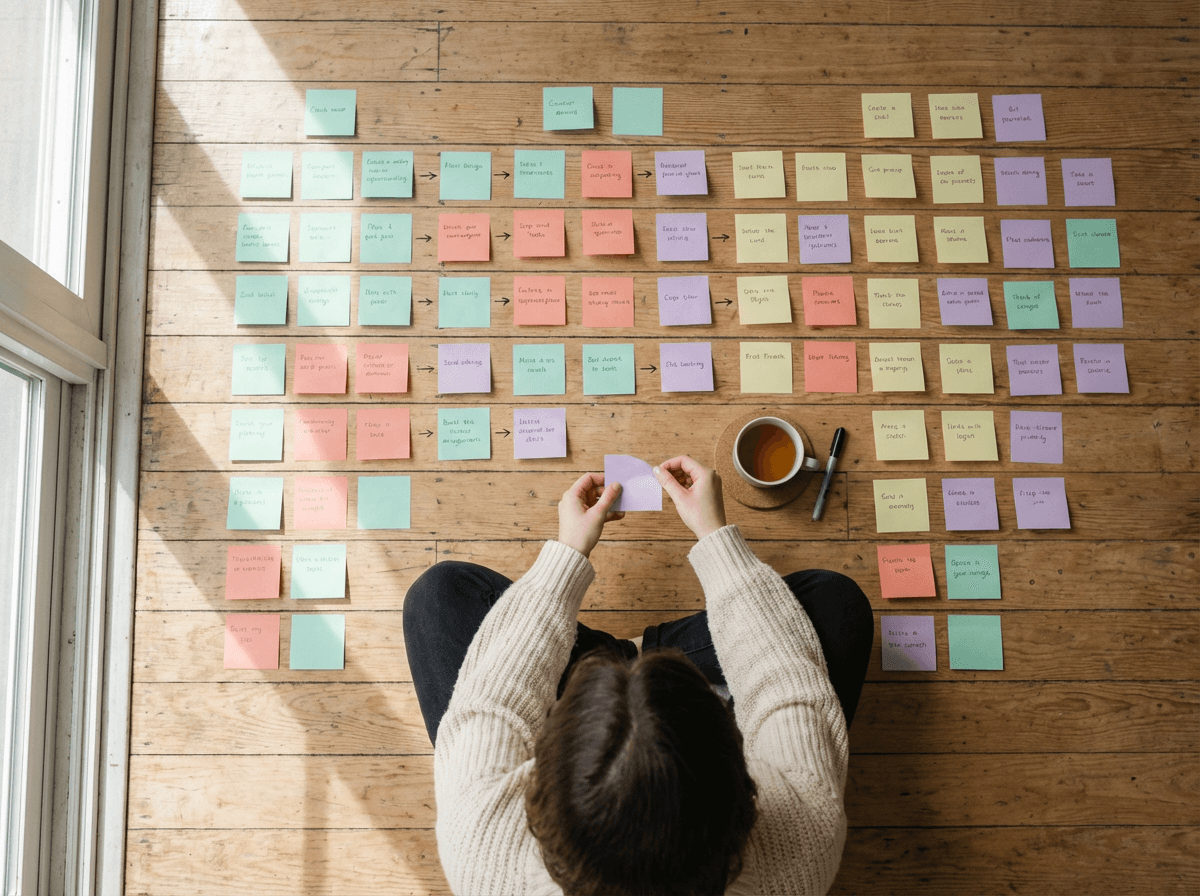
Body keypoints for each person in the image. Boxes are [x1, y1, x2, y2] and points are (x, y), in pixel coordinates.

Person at [403, 455, 873, 895]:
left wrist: (568, 552)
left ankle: (614, 660)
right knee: (835, 603)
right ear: (741, 777)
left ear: (541, 786)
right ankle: (656, 660)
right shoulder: (804, 841)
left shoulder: (483, 848)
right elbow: (787, 688)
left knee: (439, 596)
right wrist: (714, 536)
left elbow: (493, 701)